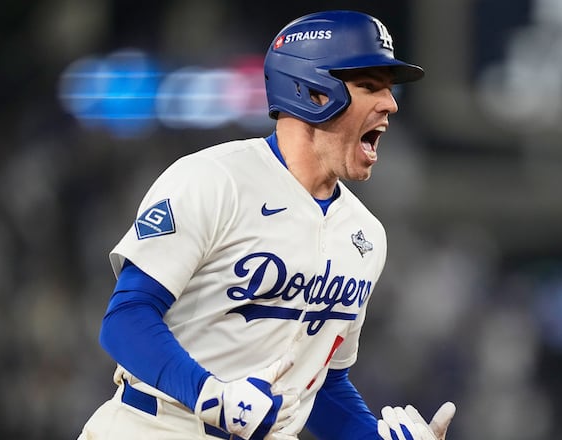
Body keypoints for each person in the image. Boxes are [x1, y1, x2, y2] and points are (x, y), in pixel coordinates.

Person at [77, 9, 455, 440]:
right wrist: (211, 396)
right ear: (313, 92)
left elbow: (321, 384)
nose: (390, 104)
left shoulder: (366, 235)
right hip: (155, 427)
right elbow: (126, 318)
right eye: (370, 86)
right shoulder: (215, 179)